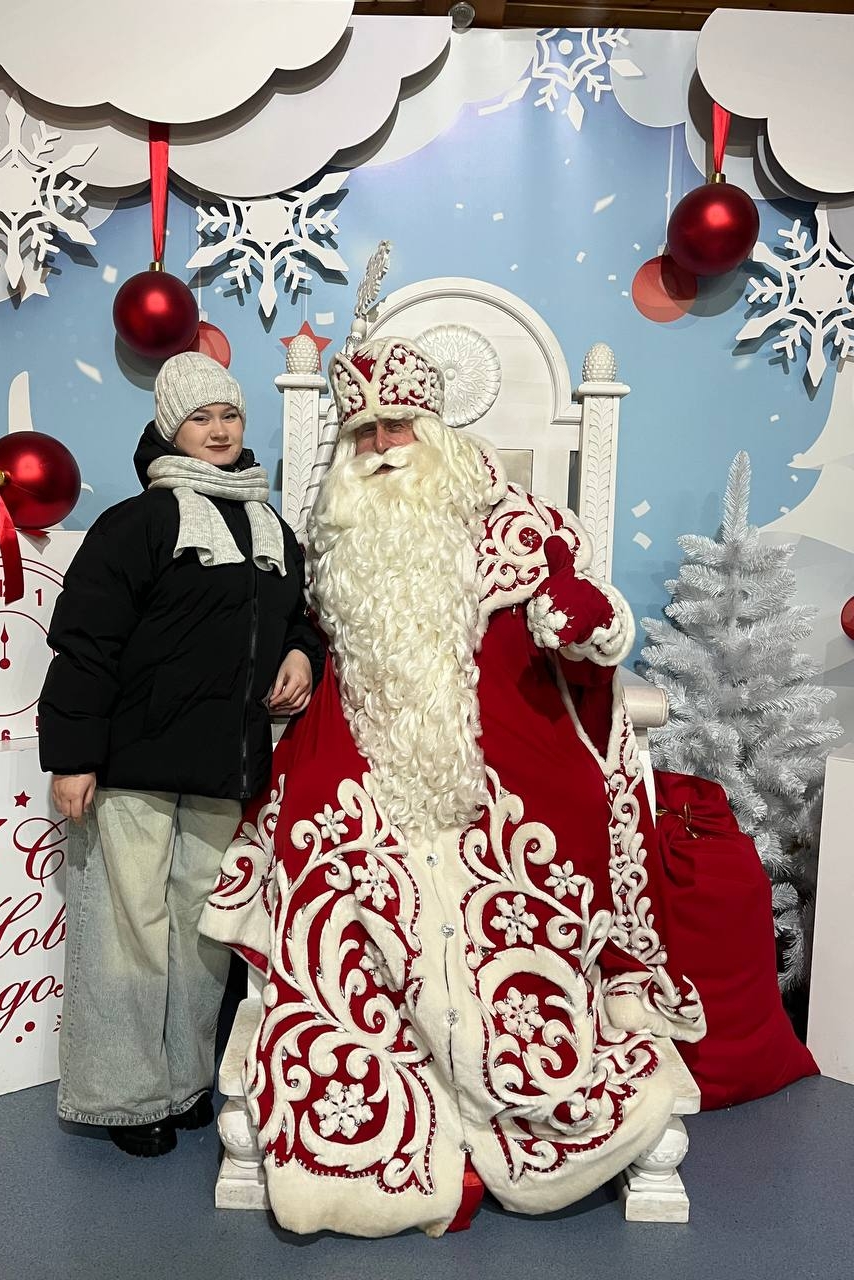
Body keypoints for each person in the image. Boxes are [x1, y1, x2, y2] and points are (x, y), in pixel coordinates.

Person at [199, 337, 705, 1235]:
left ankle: (518, 1085)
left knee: (530, 857)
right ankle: (384, 1114)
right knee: (323, 846)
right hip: (363, 745)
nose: (379, 447)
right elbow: (307, 633)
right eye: (361, 433)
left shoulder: (520, 524)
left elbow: (588, 624)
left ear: (431, 428)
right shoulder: (337, 537)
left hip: (498, 756)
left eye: (396, 426)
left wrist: (585, 620)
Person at [38, 351, 324, 1158]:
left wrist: (301, 655)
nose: (219, 429)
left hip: (222, 769)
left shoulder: (272, 529)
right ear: (171, 428)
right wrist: (73, 757)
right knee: (128, 930)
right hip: (130, 767)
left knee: (202, 935)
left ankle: (187, 1081)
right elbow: (86, 644)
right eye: (201, 417)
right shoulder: (136, 524)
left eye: (229, 414)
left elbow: (298, 621)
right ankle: (125, 1098)